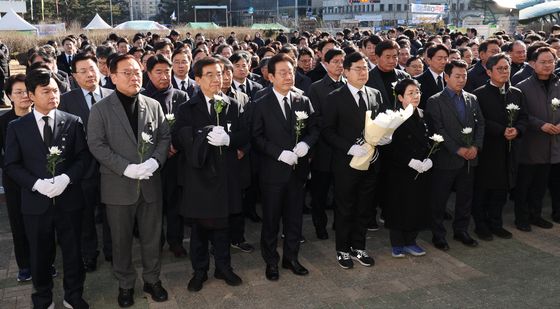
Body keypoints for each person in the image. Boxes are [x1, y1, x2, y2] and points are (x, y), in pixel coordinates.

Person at [87, 54, 170, 307]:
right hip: (118, 186)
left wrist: (156, 161)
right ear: (112, 77)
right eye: (127, 72)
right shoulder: (101, 109)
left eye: (137, 72)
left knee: (152, 237)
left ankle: (152, 279)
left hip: (150, 184)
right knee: (121, 241)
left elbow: (164, 137)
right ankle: (125, 284)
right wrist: (126, 168)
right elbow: (96, 144)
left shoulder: (152, 105)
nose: (135, 76)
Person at [4, 68, 90, 309]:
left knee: (73, 251)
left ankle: (73, 295)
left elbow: (83, 158)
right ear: (31, 95)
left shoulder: (72, 122)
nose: (53, 95)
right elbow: (11, 164)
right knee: (40, 254)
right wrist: (36, 184)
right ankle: (42, 298)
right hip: (35, 203)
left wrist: (67, 179)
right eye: (46, 91)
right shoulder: (17, 127)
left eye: (55, 90)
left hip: (69, 200)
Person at [173, 57, 247, 291]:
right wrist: (200, 136)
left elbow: (245, 135)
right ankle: (200, 270)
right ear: (197, 79)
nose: (218, 79)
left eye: (220, 74)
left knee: (224, 227)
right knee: (200, 230)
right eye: (210, 75)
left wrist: (229, 139)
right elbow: (177, 138)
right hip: (199, 177)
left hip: (225, 176)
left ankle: (224, 267)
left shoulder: (232, 104)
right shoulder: (187, 108)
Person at [252, 53, 319, 281]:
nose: (288, 76)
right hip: (272, 171)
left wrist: (306, 144)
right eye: (282, 72)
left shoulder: (302, 99)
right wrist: (278, 153)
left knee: (294, 218)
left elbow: (315, 128)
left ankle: (291, 258)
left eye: (291, 71)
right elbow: (256, 137)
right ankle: (271, 261)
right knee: (271, 219)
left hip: (297, 172)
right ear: (270, 76)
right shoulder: (260, 102)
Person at [322, 52, 386, 269]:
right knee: (345, 207)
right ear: (346, 71)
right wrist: (349, 147)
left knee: (364, 207)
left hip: (372, 161)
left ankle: (359, 247)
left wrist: (385, 136)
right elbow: (327, 131)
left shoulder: (375, 94)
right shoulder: (334, 97)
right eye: (357, 68)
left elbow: (381, 122)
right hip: (345, 163)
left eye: (365, 68)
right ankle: (342, 249)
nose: (362, 72)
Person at [58, 53, 114, 272]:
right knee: (86, 216)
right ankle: (89, 253)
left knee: (111, 213)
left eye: (93, 69)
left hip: (112, 167)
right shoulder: (66, 100)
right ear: (74, 76)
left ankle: (112, 250)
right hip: (83, 170)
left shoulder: (112, 95)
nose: (90, 74)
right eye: (83, 71)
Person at [425, 60, 485, 251]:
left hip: (469, 159)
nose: (461, 80)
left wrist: (476, 146)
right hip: (446, 159)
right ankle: (438, 234)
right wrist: (457, 149)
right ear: (446, 77)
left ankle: (461, 230)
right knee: (439, 199)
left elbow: (481, 124)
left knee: (465, 198)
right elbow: (438, 129)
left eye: (464, 76)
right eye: (457, 76)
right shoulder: (435, 101)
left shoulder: (472, 98)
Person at [472, 53, 528, 240]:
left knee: (501, 190)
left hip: (509, 149)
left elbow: (523, 117)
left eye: (507, 68)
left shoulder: (516, 93)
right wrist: (501, 130)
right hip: (488, 149)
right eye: (500, 69)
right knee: (483, 190)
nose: (505, 72)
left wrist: (517, 130)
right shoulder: (479, 94)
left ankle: (496, 223)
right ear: (489, 72)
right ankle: (481, 224)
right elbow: (479, 121)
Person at [141, 54, 190, 258]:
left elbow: (187, 126)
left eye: (167, 71)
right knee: (152, 205)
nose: (164, 76)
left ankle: (175, 240)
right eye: (158, 72)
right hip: (151, 161)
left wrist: (175, 145)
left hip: (177, 160)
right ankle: (155, 241)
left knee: (175, 203)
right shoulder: (141, 97)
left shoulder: (181, 96)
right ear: (149, 73)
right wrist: (159, 150)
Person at [382, 78, 432, 258]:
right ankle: (397, 243)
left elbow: (433, 139)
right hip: (400, 170)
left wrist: (430, 159)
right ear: (401, 97)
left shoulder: (425, 115)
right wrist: (408, 161)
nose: (415, 96)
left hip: (421, 169)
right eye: (410, 93)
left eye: (417, 92)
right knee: (398, 205)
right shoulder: (393, 118)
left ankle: (411, 240)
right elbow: (389, 147)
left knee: (417, 204)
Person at [514, 46, 560, 231]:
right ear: (532, 64)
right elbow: (520, 114)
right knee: (524, 184)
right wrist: (540, 124)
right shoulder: (522, 86)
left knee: (541, 184)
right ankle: (521, 217)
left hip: (552, 144)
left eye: (551, 61)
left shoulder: (558, 83)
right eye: (543, 62)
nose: (548, 65)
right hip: (530, 144)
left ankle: (536, 214)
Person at [307, 48, 346, 240]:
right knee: (320, 192)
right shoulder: (316, 88)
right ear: (326, 64)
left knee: (342, 191)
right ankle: (319, 225)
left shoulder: (349, 85)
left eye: (342, 61)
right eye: (335, 61)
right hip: (323, 148)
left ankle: (339, 224)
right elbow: (314, 118)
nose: (340, 65)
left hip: (345, 150)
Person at [0, 74, 33, 282]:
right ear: (10, 96)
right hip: (14, 182)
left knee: (43, 224)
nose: (24, 96)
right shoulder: (3, 122)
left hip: (41, 180)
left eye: (27, 91)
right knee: (18, 223)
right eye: (18, 92)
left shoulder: (42, 116)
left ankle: (46, 261)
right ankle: (24, 265)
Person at [366, 39, 411, 110]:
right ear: (377, 57)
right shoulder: (367, 78)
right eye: (387, 57)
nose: (391, 61)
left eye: (394, 57)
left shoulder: (404, 76)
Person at [415, 44, 449, 110]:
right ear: (429, 60)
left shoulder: (451, 79)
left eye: (445, 58)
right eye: (439, 58)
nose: (443, 62)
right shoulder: (417, 81)